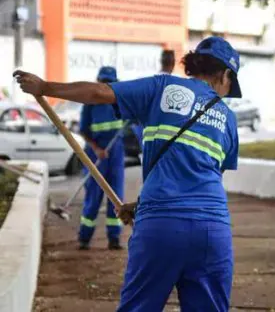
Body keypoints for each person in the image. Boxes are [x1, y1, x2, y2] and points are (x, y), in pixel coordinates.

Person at [14, 36, 241, 311]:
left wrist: (45, 87)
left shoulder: (163, 87)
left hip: (160, 227)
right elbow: (203, 177)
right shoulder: (228, 119)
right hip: (212, 230)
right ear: (226, 74)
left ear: (194, 65)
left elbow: (100, 94)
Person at [77, 66, 126, 250]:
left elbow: (133, 118)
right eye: (103, 81)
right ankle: (84, 238)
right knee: (93, 196)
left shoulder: (119, 101)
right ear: (98, 81)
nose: (106, 85)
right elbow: (83, 129)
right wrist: (96, 148)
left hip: (116, 151)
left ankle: (114, 238)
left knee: (116, 196)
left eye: (109, 82)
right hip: (96, 152)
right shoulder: (90, 103)